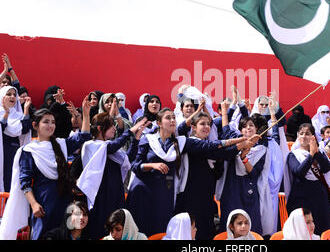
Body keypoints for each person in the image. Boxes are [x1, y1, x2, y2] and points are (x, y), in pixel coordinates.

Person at [125, 108, 256, 237]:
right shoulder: (148, 139)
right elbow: (135, 165)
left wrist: (242, 143)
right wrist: (151, 165)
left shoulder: (179, 143)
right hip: (145, 191)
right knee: (143, 228)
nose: (172, 120)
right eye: (168, 118)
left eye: (173, 117)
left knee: (162, 229)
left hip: (165, 193)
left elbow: (214, 150)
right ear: (158, 123)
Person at [0, 97, 91, 240]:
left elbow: (83, 137)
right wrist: (34, 204)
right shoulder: (29, 150)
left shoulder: (61, 144)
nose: (50, 125)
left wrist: (85, 114)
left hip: (64, 200)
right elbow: (25, 182)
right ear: (35, 125)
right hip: (43, 203)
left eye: (53, 122)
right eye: (46, 122)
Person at [174, 110, 256, 240]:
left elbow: (217, 162)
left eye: (208, 124)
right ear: (193, 127)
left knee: (205, 231)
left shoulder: (210, 146)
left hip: (206, 197)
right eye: (202, 124)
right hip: (191, 196)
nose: (206, 127)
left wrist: (241, 147)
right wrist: (240, 144)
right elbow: (215, 152)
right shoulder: (190, 143)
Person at [76, 112, 149, 240]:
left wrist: (137, 138)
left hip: (116, 196)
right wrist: (131, 130)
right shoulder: (91, 145)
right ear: (100, 128)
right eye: (111, 126)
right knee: (100, 231)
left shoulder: (109, 147)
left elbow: (129, 157)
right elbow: (112, 146)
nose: (115, 129)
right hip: (100, 198)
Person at [216, 99, 279, 237]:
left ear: (256, 129)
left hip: (248, 190)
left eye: (251, 125)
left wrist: (244, 158)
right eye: (245, 126)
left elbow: (254, 173)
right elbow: (226, 129)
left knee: (250, 226)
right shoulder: (235, 142)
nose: (248, 128)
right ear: (240, 130)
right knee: (229, 223)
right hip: (231, 188)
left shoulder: (261, 149)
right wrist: (225, 110)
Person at [285, 123, 330, 236]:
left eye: (307, 134)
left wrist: (315, 153)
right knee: (303, 228)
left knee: (321, 227)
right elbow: (298, 172)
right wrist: (310, 156)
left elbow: (327, 168)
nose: (304, 136)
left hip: (319, 196)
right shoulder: (294, 155)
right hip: (301, 196)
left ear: (313, 137)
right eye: (301, 134)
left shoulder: (319, 152)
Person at [0, 85, 33, 192]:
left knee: (12, 182)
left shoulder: (18, 115)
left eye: (14, 94)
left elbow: (24, 128)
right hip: (2, 152)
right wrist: (6, 114)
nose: (12, 97)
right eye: (8, 94)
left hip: (14, 152)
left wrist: (26, 109)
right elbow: (1, 128)